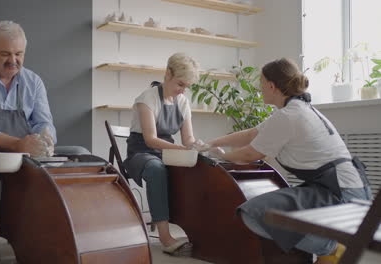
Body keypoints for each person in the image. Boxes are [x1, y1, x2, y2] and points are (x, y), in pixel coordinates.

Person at [204, 58, 372, 264]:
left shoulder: (289, 116)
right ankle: (329, 249)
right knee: (271, 211)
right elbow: (252, 134)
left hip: (341, 193)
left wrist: (220, 155)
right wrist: (211, 143)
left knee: (254, 213)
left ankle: (332, 247)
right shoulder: (298, 109)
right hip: (348, 189)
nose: (260, 87)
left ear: (272, 86)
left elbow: (250, 154)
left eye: (261, 83)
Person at [0, 21, 89, 264]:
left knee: (80, 153)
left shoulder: (33, 81)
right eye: (5, 54)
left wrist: (45, 140)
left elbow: (44, 123)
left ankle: (60, 243)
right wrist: (18, 144)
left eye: (19, 54)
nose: (13, 60)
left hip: (22, 152)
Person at [124, 53, 204, 256]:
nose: (182, 90)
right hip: (141, 152)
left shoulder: (182, 102)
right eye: (180, 84)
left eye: (186, 86)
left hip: (167, 151)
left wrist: (199, 146)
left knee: (200, 166)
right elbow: (150, 139)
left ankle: (198, 230)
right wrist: (184, 150)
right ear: (168, 74)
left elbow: (188, 139)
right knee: (156, 169)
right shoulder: (147, 98)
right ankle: (165, 236)